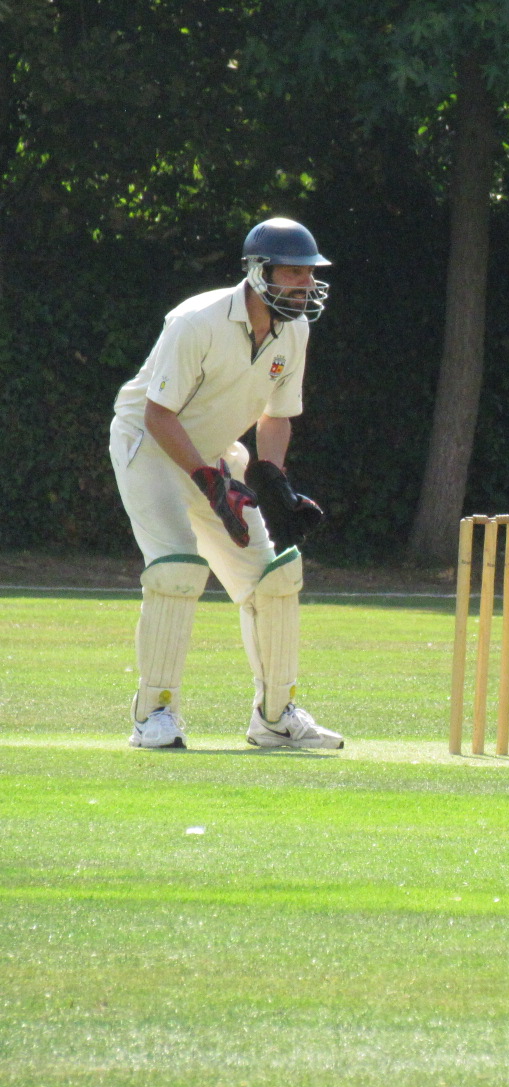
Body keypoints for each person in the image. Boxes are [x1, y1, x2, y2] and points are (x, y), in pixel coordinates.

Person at [109, 217, 344, 751]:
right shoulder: (197, 321)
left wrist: (273, 479)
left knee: (272, 579)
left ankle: (276, 717)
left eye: (310, 273)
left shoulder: (295, 330)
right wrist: (208, 482)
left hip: (215, 455)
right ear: (259, 272)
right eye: (293, 273)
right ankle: (154, 714)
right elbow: (159, 415)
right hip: (149, 448)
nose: (306, 284)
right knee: (176, 569)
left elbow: (276, 416)